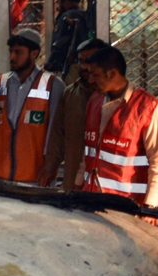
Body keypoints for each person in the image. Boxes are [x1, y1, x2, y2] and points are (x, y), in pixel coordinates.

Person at [81, 46, 158, 207]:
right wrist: (78, 185)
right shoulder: (95, 100)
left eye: (95, 75)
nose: (90, 80)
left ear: (112, 73)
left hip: (127, 204)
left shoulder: (149, 108)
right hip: (91, 198)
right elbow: (88, 151)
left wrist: (151, 204)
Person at [0, 28, 65, 183]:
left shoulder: (52, 85)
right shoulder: (2, 81)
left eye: (18, 52)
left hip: (35, 176)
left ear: (34, 54)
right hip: (1, 174)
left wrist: (49, 167)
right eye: (11, 52)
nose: (12, 57)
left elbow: (55, 133)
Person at [38, 38, 107, 190]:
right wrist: (49, 167)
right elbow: (58, 136)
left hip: (106, 183)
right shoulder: (71, 94)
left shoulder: (115, 96)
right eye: (81, 61)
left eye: (89, 61)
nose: (84, 67)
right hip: (73, 179)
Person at [44, 0, 89, 82]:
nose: (57, 5)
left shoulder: (66, 17)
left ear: (66, 2)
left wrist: (52, 63)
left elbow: (60, 43)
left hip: (69, 66)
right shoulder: (84, 15)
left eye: (58, 2)